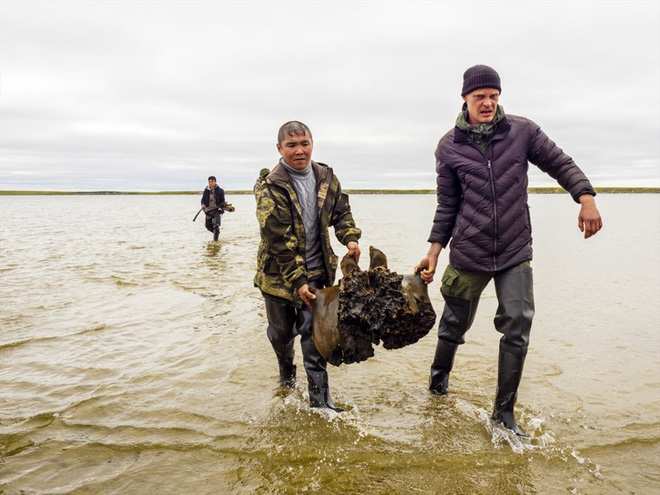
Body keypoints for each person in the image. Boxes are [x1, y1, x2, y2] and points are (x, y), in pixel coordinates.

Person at [415, 65, 603, 436]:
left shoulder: (522, 131)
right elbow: (447, 205)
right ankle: (438, 386)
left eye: (493, 96)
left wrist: (586, 196)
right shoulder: (449, 147)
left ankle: (503, 413)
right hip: (469, 251)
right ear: (465, 99)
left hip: (515, 249)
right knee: (453, 325)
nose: (487, 103)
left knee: (517, 325)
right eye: (479, 96)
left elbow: (559, 163)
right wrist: (435, 252)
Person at [254, 121, 361, 411]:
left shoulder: (326, 176)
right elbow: (277, 239)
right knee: (281, 334)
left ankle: (321, 404)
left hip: (318, 274)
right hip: (278, 277)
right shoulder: (269, 186)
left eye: (304, 144)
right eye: (291, 145)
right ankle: (286, 378)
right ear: (280, 149)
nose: (299, 150)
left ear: (312, 144)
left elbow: (342, 213)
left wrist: (350, 238)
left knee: (315, 339)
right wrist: (297, 281)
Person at [201, 176, 226, 241]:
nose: (210, 183)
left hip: (217, 210)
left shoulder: (220, 190)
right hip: (208, 211)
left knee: (215, 226)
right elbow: (203, 200)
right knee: (208, 226)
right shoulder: (206, 190)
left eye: (211, 182)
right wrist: (203, 205)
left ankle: (215, 243)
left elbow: (223, 201)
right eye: (209, 182)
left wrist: (220, 207)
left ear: (215, 182)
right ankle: (217, 232)